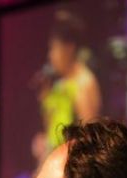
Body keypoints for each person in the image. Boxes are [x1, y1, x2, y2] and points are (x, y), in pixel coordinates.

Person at [32, 10, 102, 167]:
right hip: (55, 163)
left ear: (69, 48)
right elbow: (52, 128)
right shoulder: (60, 83)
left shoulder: (83, 82)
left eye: (54, 49)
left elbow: (88, 139)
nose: (51, 56)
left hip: (71, 169)